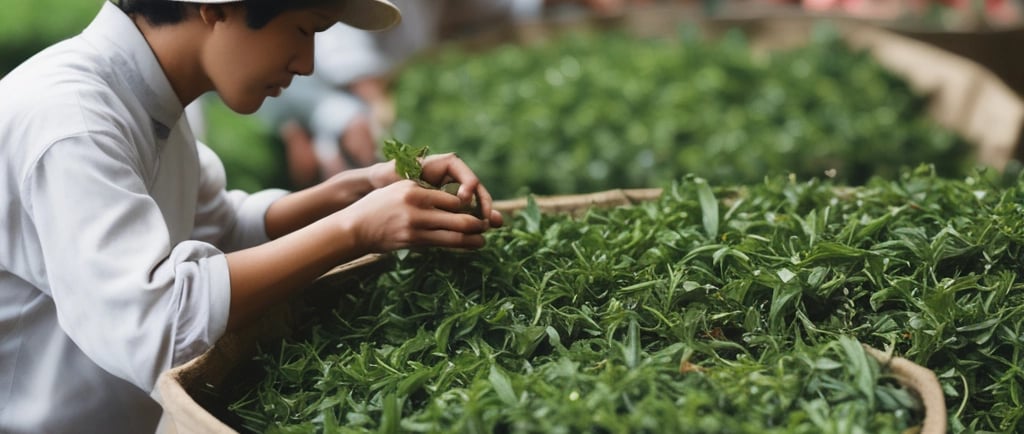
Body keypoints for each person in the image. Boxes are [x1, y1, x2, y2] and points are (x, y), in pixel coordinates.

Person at [0, 0, 503, 432]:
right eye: (303, 29)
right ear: (215, 6)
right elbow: (158, 325)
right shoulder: (72, 124)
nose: (307, 64)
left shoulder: (144, 103)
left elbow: (221, 229)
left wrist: (357, 190)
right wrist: (356, 229)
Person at [251, 0, 633, 189]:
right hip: (337, 91)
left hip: (397, 80)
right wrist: (381, 107)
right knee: (352, 142)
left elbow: (488, 8)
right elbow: (346, 57)